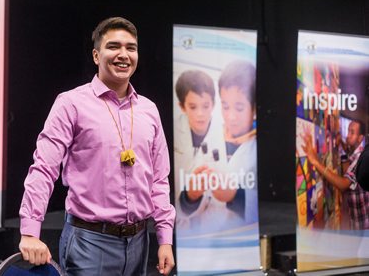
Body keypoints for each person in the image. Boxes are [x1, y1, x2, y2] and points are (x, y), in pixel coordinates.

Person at [18, 17, 176, 276]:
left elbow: (159, 179)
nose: (123, 54)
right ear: (95, 55)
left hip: (139, 242)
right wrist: (29, 231)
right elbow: (44, 169)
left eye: (131, 48)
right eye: (113, 46)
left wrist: (165, 238)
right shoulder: (71, 103)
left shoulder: (149, 110)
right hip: (89, 243)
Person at [179, 60, 258, 228]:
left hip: (241, 240)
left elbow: (266, 208)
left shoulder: (257, 149)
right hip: (204, 240)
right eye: (225, 106)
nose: (230, 117)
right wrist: (190, 196)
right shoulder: (212, 137)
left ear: (255, 109)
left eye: (239, 108)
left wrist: (235, 196)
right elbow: (187, 209)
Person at [173, 70, 226, 224]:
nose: (201, 114)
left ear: (214, 105)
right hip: (180, 223)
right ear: (182, 106)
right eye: (193, 107)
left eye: (206, 106)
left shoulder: (225, 133)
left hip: (214, 222)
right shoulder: (173, 130)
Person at [302, 120, 369, 230]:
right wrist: (342, 142)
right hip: (358, 218)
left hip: (364, 223)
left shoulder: (360, 158)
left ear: (360, 138)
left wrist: (315, 162)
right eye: (348, 131)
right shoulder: (356, 152)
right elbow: (348, 153)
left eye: (352, 133)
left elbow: (343, 185)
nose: (347, 136)